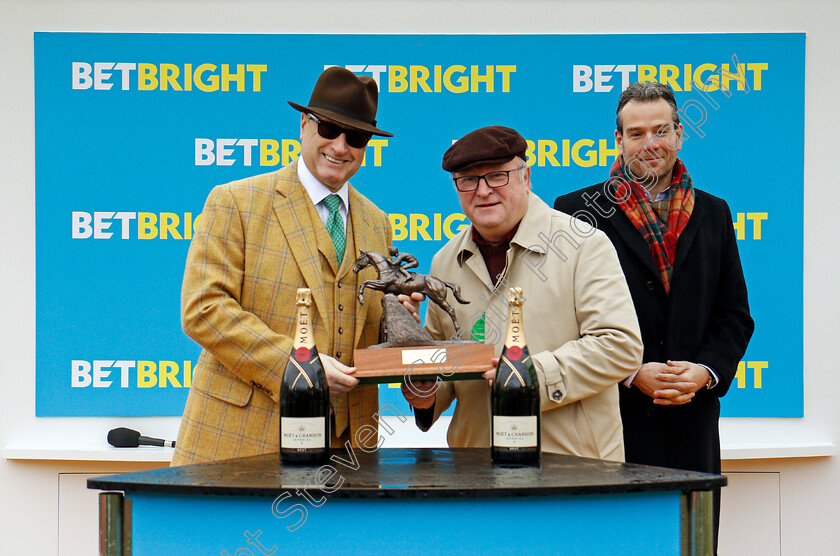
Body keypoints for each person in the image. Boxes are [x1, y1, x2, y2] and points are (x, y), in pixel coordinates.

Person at [172, 67, 418, 466]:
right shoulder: (235, 201)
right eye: (328, 129)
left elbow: (357, 332)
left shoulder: (377, 221)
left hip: (347, 448)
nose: (340, 147)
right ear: (304, 124)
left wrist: (396, 321)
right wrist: (298, 365)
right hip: (242, 439)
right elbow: (204, 310)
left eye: (355, 137)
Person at [554, 81, 754, 551]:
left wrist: (705, 372)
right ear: (618, 141)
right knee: (615, 544)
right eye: (637, 134)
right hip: (611, 422)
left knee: (691, 544)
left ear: (680, 135)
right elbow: (563, 321)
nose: (651, 144)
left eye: (661, 131)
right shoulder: (576, 212)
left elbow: (734, 315)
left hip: (693, 424)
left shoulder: (715, 213)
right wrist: (627, 372)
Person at [402, 126, 643, 462]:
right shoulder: (445, 261)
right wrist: (422, 384)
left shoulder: (583, 245)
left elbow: (620, 346)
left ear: (526, 177)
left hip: (571, 473)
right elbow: (444, 380)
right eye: (468, 180)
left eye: (497, 176)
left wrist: (526, 376)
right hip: (474, 473)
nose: (483, 191)